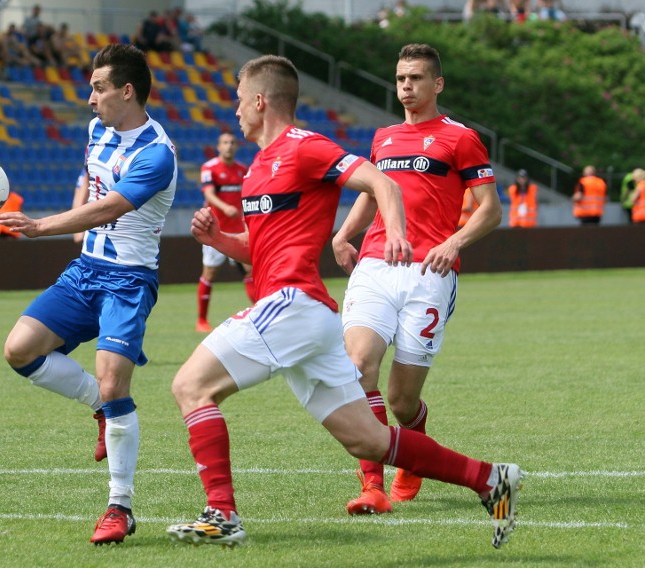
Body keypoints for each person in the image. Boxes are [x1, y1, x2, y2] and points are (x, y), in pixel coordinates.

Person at [165, 54, 522, 550]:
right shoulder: (254, 171)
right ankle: (491, 479)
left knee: (190, 386)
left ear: (261, 101)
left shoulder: (304, 146)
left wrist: (394, 232)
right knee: (369, 440)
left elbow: (381, 182)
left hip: (294, 303)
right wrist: (223, 240)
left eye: (239, 102)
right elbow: (259, 250)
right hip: (304, 316)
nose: (236, 112)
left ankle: (221, 513)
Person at [0, 43, 177, 546]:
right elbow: (92, 191)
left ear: (127, 90)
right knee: (19, 350)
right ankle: (97, 404)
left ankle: (120, 507)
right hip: (86, 271)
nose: (89, 98)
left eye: (98, 87)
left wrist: (41, 226)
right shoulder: (97, 130)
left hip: (129, 280)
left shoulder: (157, 154)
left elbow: (108, 208)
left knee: (118, 384)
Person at [332, 43, 503, 516]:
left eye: (417, 79)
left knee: (402, 400)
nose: (406, 86)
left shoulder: (460, 138)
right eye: (401, 78)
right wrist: (344, 233)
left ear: (437, 85)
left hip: (429, 273)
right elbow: (374, 192)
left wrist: (454, 243)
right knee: (357, 365)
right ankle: (372, 486)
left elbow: (490, 209)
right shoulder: (383, 138)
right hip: (375, 266)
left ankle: (413, 451)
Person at [195, 131, 255, 333]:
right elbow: (209, 194)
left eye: (232, 143)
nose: (229, 146)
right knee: (210, 273)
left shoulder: (242, 170)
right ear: (219, 147)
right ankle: (201, 320)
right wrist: (225, 207)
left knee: (250, 270)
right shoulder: (209, 168)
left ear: (236, 147)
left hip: (239, 230)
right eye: (225, 143)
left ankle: (259, 312)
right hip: (216, 231)